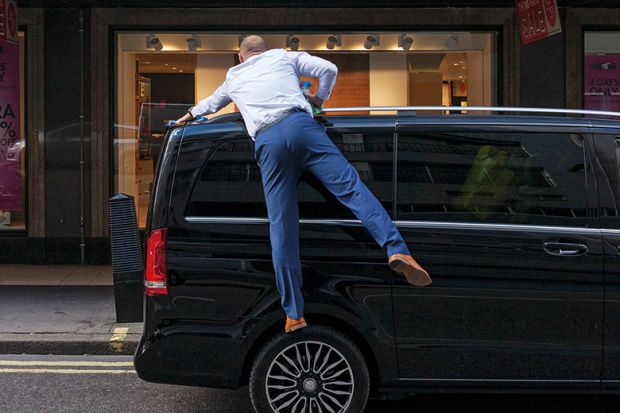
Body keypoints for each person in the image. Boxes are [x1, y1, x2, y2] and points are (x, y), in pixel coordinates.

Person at [176, 35, 431, 333]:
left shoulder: (234, 76)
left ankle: (294, 313)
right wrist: (318, 100)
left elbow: (210, 104)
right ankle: (397, 249)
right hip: (302, 126)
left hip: (269, 141)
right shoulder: (282, 57)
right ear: (265, 50)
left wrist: (188, 116)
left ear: (240, 55)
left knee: (282, 225)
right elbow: (329, 69)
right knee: (352, 189)